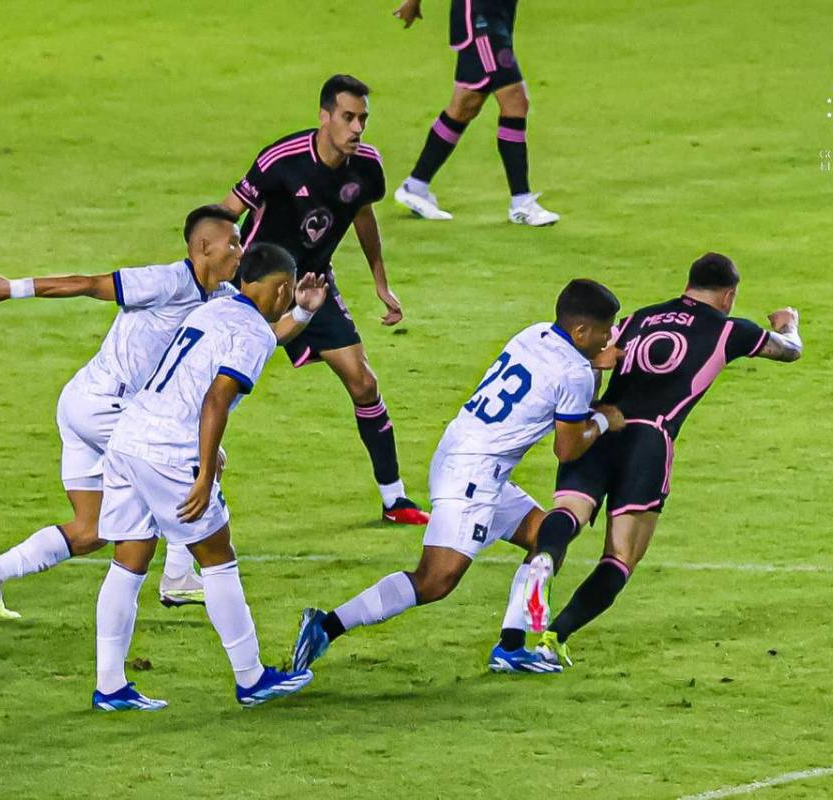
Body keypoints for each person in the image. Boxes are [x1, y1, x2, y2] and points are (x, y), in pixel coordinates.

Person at [0, 206, 317, 617]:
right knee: (201, 460)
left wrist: (303, 311)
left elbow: (262, 338)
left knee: (91, 530)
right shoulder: (166, 280)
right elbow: (89, 284)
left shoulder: (224, 298)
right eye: (232, 242)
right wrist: (13, 288)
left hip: (84, 403)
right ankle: (178, 577)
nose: (240, 251)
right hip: (105, 407)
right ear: (203, 247)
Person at [289, 279, 624, 675]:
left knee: (548, 535)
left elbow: (567, 382)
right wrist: (606, 419)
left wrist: (590, 363)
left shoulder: (535, 333)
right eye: (604, 331)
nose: (609, 340)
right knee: (434, 581)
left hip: (462, 452)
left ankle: (511, 647)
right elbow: (568, 448)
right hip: (474, 475)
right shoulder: (575, 373)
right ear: (581, 332)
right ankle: (325, 625)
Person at [508, 252, 804, 669]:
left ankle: (545, 559)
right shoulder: (729, 329)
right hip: (649, 439)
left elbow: (595, 359)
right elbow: (791, 351)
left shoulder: (638, 318)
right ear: (729, 295)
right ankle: (554, 637)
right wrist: (787, 322)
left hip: (601, 424)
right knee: (620, 556)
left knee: (568, 513)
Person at [92, 243, 324, 710]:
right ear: (280, 287)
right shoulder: (251, 334)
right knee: (218, 556)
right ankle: (252, 677)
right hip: (170, 452)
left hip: (129, 437)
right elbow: (216, 399)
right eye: (288, 294)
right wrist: (203, 472)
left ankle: (110, 686)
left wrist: (301, 313)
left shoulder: (218, 309)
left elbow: (256, 340)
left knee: (130, 560)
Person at [220, 74, 428, 526]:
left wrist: (381, 282)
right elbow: (225, 215)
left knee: (364, 383)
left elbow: (363, 214)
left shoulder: (367, 166)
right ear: (324, 117)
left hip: (314, 286)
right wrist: (213, 283)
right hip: (256, 288)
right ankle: (180, 468)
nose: (357, 128)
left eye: (363, 119)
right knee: (219, 389)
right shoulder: (282, 160)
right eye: (348, 118)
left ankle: (395, 500)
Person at [391, 0, 560, 226]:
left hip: (495, 16)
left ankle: (415, 186)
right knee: (515, 100)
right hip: (482, 21)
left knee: (465, 105)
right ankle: (521, 203)